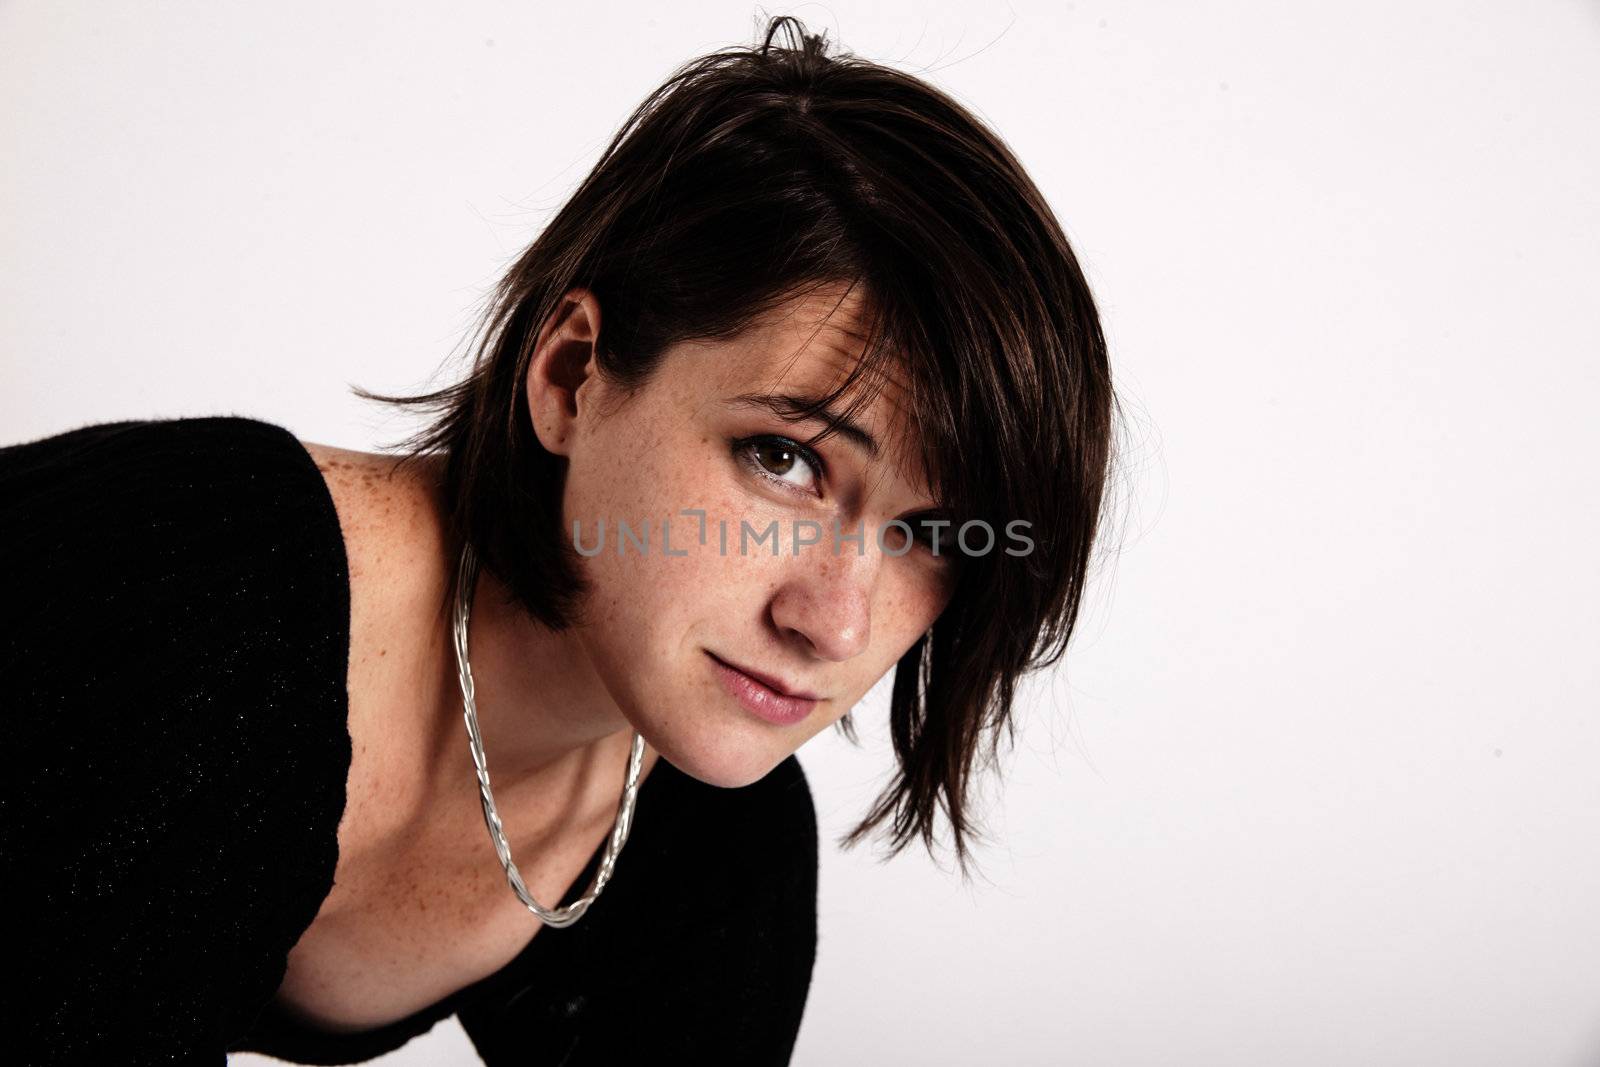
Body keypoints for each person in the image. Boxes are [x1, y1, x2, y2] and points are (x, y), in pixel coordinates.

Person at [0, 15, 1119, 1066]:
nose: (830, 619)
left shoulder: (712, 838)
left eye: (927, 532)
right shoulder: (175, 589)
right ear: (570, 374)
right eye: (783, 458)